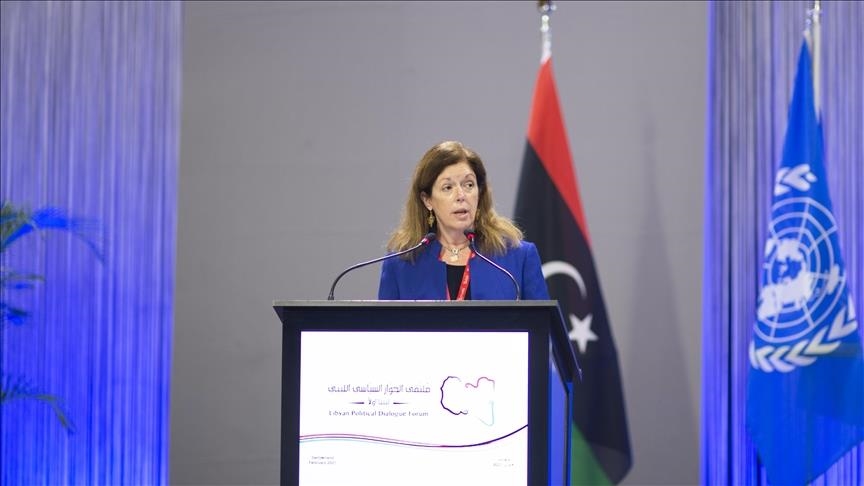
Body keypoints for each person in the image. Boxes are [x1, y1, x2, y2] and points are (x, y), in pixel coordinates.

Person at [378, 140, 550, 300]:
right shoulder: (400, 264)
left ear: (479, 193)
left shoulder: (518, 257)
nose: (461, 195)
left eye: (469, 185)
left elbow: (542, 323)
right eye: (448, 187)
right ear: (427, 200)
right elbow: (384, 324)